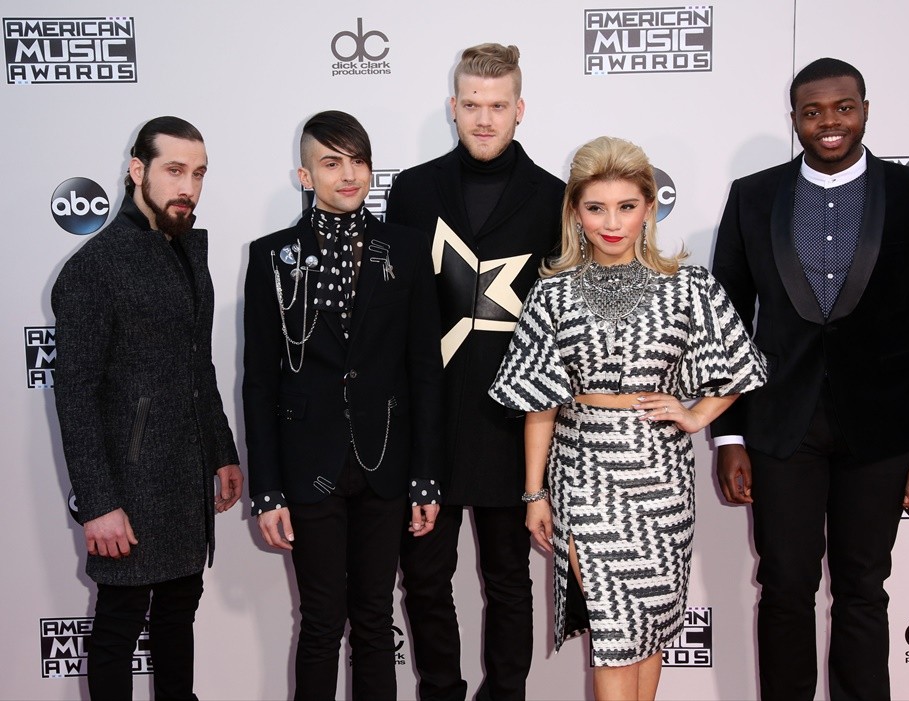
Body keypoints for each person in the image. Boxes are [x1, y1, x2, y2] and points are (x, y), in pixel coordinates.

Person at [711, 57, 909, 701]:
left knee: (862, 590)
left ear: (865, 110)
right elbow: (725, 326)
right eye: (813, 111)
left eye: (843, 107)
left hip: (883, 429)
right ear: (795, 118)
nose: (829, 122)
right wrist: (727, 436)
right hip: (779, 429)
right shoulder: (753, 196)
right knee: (785, 589)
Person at [490, 136, 767, 701]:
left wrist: (695, 415)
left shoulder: (688, 286)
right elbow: (538, 403)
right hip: (584, 476)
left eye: (626, 206)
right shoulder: (552, 295)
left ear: (649, 206)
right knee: (614, 636)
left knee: (646, 634)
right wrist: (533, 494)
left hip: (661, 483)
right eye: (595, 208)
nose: (611, 223)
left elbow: (743, 364)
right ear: (575, 211)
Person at [242, 110, 444, 700]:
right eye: (331, 162)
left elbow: (424, 371)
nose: (348, 174)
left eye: (358, 160)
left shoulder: (405, 250)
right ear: (305, 176)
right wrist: (268, 489)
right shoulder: (270, 257)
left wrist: (427, 478)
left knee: (376, 623)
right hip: (309, 467)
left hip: (386, 464)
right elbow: (260, 382)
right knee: (322, 623)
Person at [385, 43, 564, 700]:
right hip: (423, 426)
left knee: (509, 579)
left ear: (519, 109)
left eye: (496, 106)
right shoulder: (413, 189)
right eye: (471, 105)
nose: (483, 119)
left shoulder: (554, 197)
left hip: (515, 427)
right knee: (425, 579)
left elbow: (564, 327)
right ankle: (440, 689)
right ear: (452, 108)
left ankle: (507, 693)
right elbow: (393, 310)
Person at [51, 115, 243, 700]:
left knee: (179, 612)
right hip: (127, 486)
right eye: (175, 170)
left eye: (199, 174)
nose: (188, 186)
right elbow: (75, 393)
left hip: (183, 478)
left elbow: (197, 365)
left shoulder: (186, 252)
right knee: (119, 622)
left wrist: (222, 450)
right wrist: (100, 503)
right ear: (139, 171)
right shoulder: (95, 267)